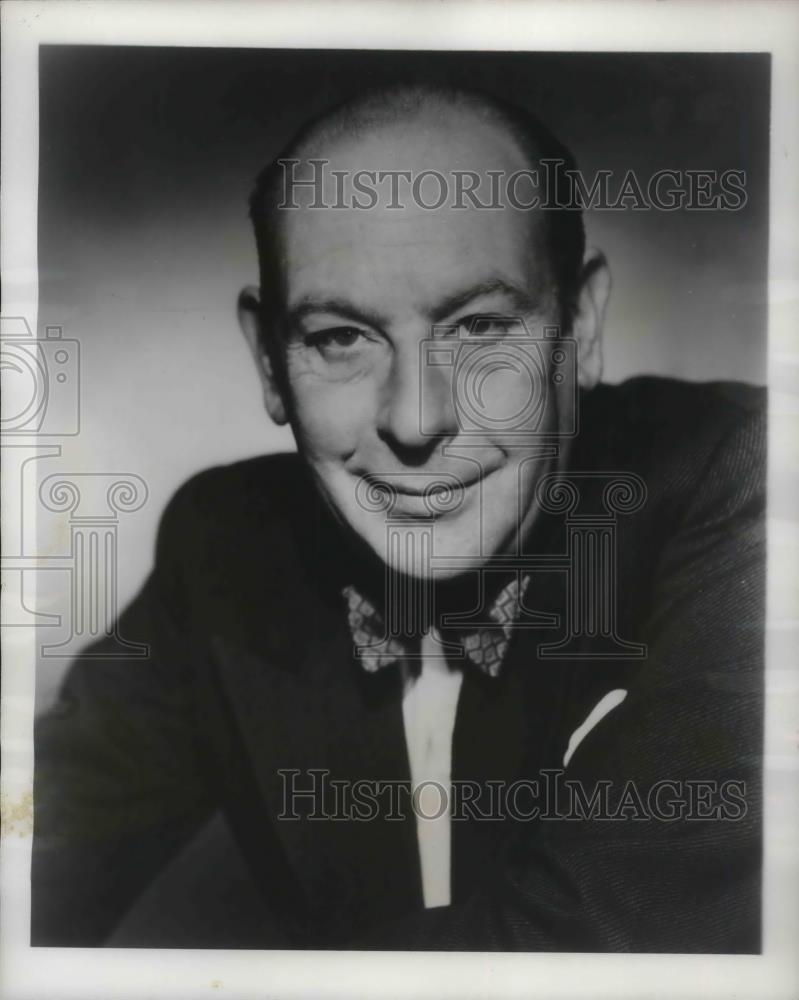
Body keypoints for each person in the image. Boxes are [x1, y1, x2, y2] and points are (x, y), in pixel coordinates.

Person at [32, 83, 765, 951]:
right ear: (268, 360)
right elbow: (35, 845)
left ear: (581, 320)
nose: (416, 421)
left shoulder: (741, 477)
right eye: (340, 337)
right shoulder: (225, 544)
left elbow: (589, 950)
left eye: (480, 326)